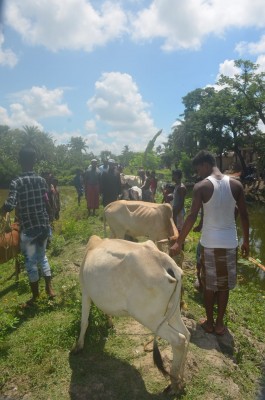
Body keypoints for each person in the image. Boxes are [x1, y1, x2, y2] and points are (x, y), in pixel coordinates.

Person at [170, 150, 249, 336]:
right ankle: (220, 324)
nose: (198, 173)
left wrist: (178, 243)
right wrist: (246, 241)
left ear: (205, 164)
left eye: (198, 169)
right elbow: (244, 215)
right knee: (223, 286)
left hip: (210, 244)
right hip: (230, 243)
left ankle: (209, 323)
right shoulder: (237, 185)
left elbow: (191, 217)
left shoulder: (201, 186)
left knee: (209, 284)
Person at [0, 146, 56, 306]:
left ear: (20, 161)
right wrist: (50, 217)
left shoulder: (17, 182)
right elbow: (46, 201)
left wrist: (1, 210)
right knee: (43, 256)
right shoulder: (41, 180)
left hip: (29, 229)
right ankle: (49, 289)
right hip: (44, 226)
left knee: (31, 262)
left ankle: (35, 297)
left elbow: (10, 205)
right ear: (34, 161)